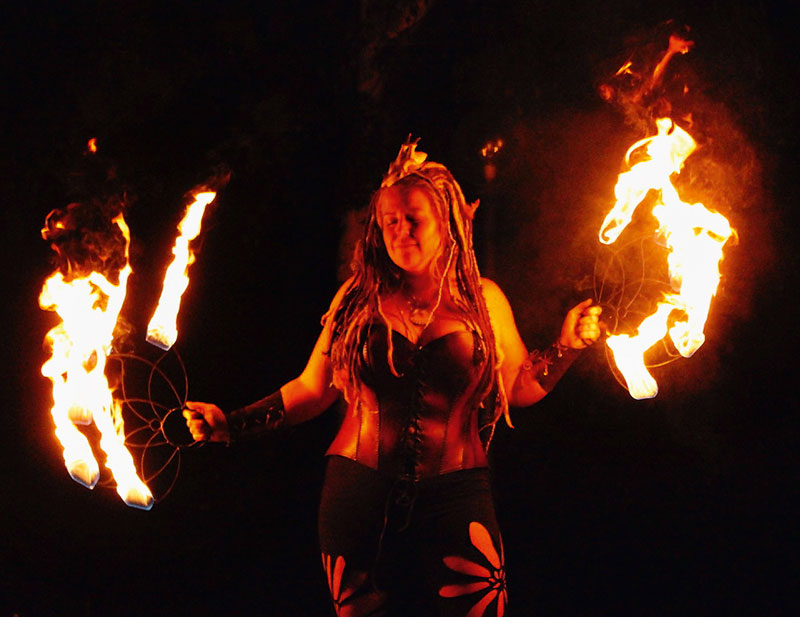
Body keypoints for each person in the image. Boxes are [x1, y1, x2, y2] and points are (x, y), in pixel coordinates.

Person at [184, 138, 601, 616]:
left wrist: (567, 347)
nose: (401, 232)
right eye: (389, 223)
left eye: (414, 219)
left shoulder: (483, 301)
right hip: (358, 493)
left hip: (457, 495)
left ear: (446, 222)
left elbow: (519, 387)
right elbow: (312, 389)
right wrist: (230, 424)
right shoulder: (356, 300)